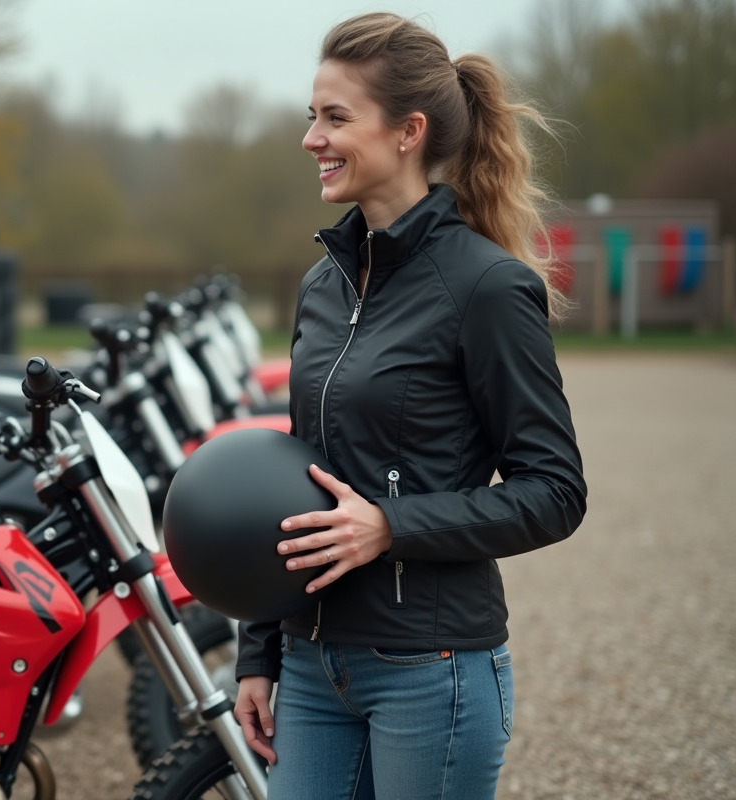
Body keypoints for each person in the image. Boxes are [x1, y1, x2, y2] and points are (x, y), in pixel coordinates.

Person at [232, 12, 588, 800]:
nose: (310, 138)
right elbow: (299, 481)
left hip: (431, 674)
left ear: (407, 131)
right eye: (310, 116)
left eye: (335, 117)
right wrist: (258, 651)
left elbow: (556, 492)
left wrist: (392, 527)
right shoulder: (320, 286)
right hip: (311, 667)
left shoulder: (488, 288)